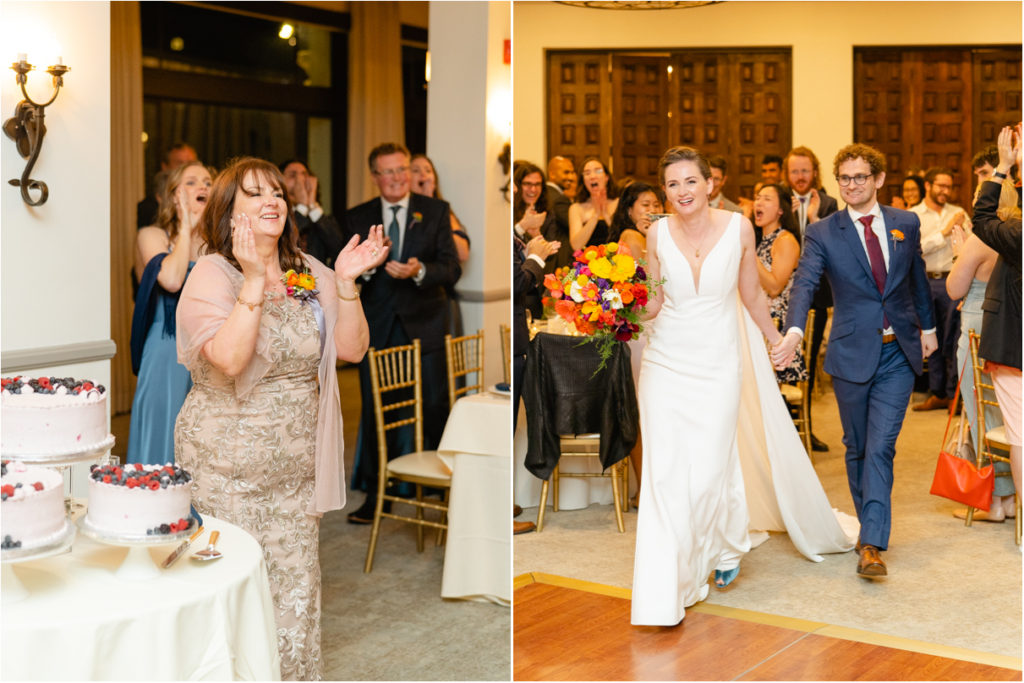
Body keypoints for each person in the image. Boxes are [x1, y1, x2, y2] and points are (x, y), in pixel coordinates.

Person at [174, 157, 388, 680]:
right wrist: (252, 279)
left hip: (296, 472)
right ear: (229, 212)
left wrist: (345, 282)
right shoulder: (212, 272)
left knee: (295, 590)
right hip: (226, 468)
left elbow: (352, 350)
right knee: (230, 588)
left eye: (276, 192)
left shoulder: (308, 271)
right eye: (254, 194)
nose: (272, 200)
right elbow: (227, 359)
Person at [632, 147, 854, 626]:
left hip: (717, 362)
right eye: (672, 184)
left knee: (709, 470)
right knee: (665, 474)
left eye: (691, 181)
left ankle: (717, 548)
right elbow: (651, 303)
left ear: (710, 184)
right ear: (665, 191)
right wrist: (612, 310)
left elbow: (752, 293)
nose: (682, 192)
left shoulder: (737, 228)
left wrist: (779, 340)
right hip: (665, 362)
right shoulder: (655, 233)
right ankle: (667, 586)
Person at [774, 143, 937, 579]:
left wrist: (929, 329)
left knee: (882, 447)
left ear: (878, 179)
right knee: (858, 447)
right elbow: (804, 284)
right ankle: (870, 528)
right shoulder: (824, 232)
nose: (852, 185)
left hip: (897, 352)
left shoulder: (906, 223)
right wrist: (794, 330)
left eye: (860, 177)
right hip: (850, 353)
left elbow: (917, 277)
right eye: (845, 178)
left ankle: (871, 543)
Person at [342, 142, 461, 525]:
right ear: (374, 176)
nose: (395, 178)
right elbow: (345, 272)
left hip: (425, 326)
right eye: (386, 171)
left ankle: (441, 493)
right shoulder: (357, 217)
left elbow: (451, 268)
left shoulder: (437, 211)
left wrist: (419, 271)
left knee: (433, 407)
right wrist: (371, 266)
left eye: (400, 170)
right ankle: (379, 495)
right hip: (376, 329)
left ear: (409, 173)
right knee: (378, 413)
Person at [129, 161, 212, 465]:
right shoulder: (151, 235)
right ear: (173, 195)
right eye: (191, 182)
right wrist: (187, 227)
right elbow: (173, 279)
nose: (202, 187)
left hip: (210, 350)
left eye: (207, 182)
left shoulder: (219, 243)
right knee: (164, 433)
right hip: (167, 351)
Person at [969, 124, 1022, 526]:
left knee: (1019, 437)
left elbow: (983, 218)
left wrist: (1003, 168)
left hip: (1015, 348)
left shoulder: (1017, 231)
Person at [947, 224, 1012, 521]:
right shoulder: (1014, 234)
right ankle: (1011, 498)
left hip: (978, 331)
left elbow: (954, 289)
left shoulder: (981, 238)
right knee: (1008, 416)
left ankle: (996, 501)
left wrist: (959, 255)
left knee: (982, 415)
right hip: (1009, 331)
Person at [783, 146, 839, 452]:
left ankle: (807, 427)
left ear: (814, 172)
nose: (800, 177)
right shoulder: (777, 200)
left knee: (804, 364)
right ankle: (783, 432)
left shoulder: (829, 203)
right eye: (795, 171)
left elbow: (836, 249)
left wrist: (815, 219)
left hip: (817, 297)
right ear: (787, 174)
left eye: (805, 170)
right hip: (780, 295)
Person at [911, 168, 971, 411]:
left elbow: (969, 246)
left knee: (953, 338)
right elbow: (914, 250)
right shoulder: (913, 215)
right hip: (924, 281)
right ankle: (936, 392)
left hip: (952, 280)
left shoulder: (959, 213)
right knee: (930, 336)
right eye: (941, 186)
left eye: (949, 187)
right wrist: (944, 233)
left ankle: (952, 394)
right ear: (928, 186)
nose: (945, 191)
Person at [410, 153, 471, 337]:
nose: (423, 174)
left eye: (428, 170)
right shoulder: (402, 212)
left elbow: (462, 253)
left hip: (439, 300)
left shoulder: (445, 213)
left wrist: (431, 202)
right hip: (410, 300)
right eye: (416, 170)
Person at [752, 183, 807, 385]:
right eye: (757, 197)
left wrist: (750, 255)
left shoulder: (785, 240)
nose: (759, 202)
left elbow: (775, 288)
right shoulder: (760, 240)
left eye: (767, 199)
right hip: (757, 322)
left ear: (781, 210)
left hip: (776, 328)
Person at [279, 159, 347, 268]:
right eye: (293, 175)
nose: (300, 180)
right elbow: (286, 239)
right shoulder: (275, 216)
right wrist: (302, 206)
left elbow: (338, 248)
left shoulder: (319, 217)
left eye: (304, 174)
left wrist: (311, 205)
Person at [138, 142, 198, 230]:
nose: (186, 168)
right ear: (165, 167)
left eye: (190, 163)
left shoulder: (204, 197)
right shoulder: (149, 207)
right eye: (180, 163)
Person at [569, 157, 619, 250]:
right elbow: (576, 246)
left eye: (598, 171)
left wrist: (606, 215)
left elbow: (624, 240)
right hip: (586, 262)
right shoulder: (576, 208)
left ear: (607, 177)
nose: (592, 176)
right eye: (587, 173)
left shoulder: (618, 203)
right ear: (583, 180)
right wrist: (595, 215)